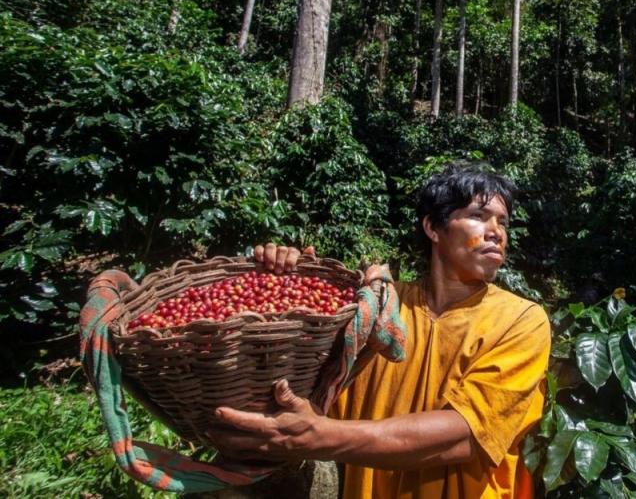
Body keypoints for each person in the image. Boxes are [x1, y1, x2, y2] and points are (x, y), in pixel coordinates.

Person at [207, 163, 551, 498]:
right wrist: (283, 281)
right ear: (433, 227)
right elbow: (297, 387)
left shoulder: (521, 320)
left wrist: (320, 437)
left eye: (503, 222)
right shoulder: (376, 306)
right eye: (478, 215)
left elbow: (464, 436)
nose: (497, 232)